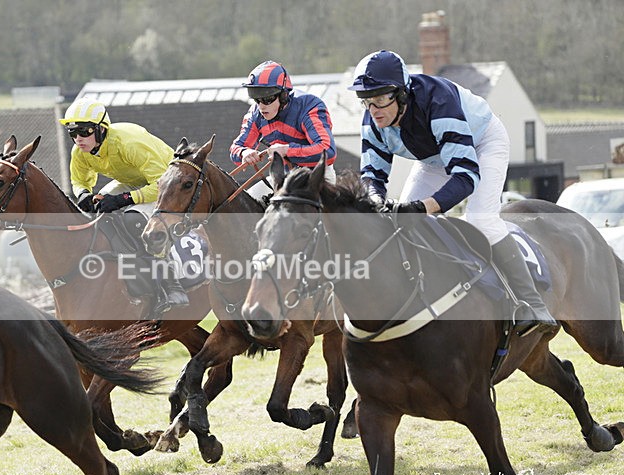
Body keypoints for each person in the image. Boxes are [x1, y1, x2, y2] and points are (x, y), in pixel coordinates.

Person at [347, 50, 557, 336]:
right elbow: (373, 176)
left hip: (483, 144)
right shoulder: (373, 119)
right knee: (399, 226)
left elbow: (466, 176)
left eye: (381, 98)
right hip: (433, 158)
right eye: (367, 101)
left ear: (402, 94)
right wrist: (376, 204)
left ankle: (532, 303)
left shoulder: (438, 100)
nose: (374, 109)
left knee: (481, 219)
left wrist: (423, 208)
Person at [59, 97, 188, 312]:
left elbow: (160, 185)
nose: (78, 139)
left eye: (84, 132)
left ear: (101, 129)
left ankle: (170, 281)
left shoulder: (129, 144)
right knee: (97, 211)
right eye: (73, 133)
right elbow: (79, 180)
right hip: (136, 181)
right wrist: (83, 195)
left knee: (134, 219)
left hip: (170, 183)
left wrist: (123, 199)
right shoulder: (79, 151)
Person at [230, 60, 337, 184]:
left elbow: (328, 152)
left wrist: (287, 150)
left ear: (283, 95)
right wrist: (244, 152)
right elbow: (236, 148)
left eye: (267, 99)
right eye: (257, 100)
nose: (261, 106)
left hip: (317, 176)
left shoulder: (309, 106)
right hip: (283, 178)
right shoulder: (256, 113)